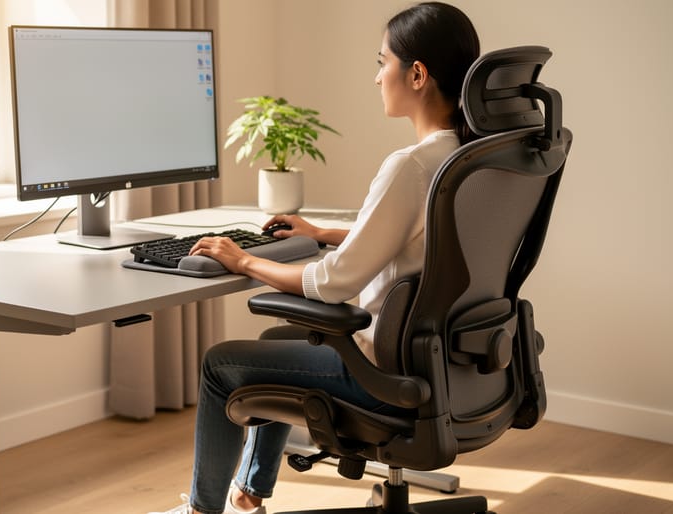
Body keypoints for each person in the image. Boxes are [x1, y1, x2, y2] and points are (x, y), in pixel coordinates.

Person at [150, 3, 480, 513]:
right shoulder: (463, 159)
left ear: (416, 74)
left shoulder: (411, 165)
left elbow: (332, 283)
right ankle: (248, 495)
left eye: (382, 62)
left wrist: (244, 261)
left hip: (382, 372)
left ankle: (201, 511)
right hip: (441, 362)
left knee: (221, 365)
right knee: (274, 341)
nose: (376, 78)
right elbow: (419, 239)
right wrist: (324, 231)